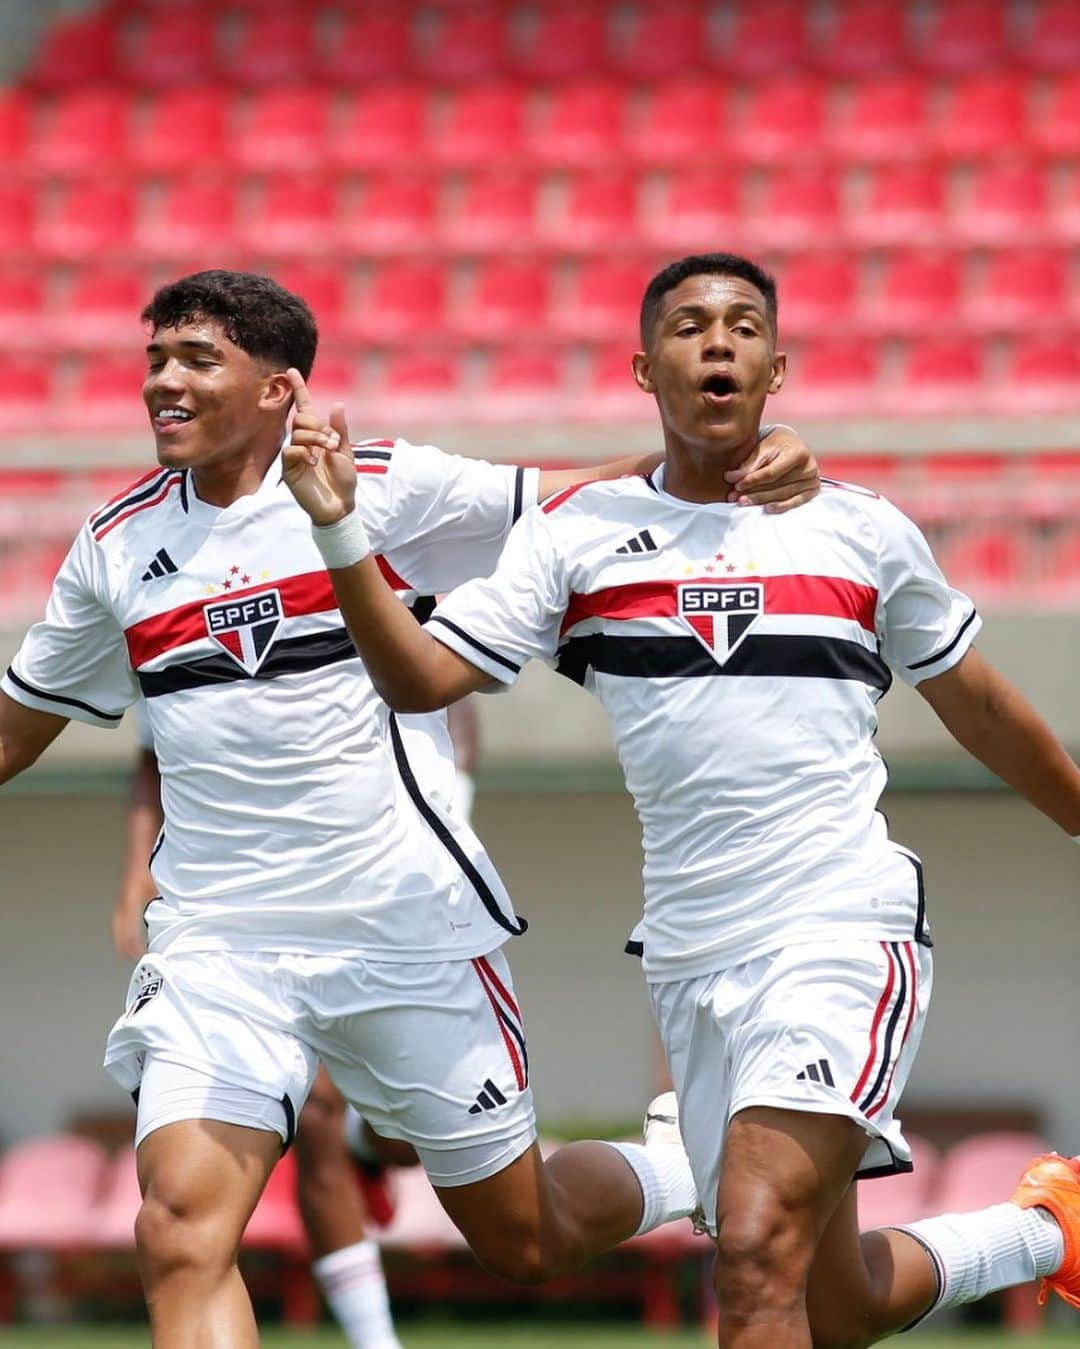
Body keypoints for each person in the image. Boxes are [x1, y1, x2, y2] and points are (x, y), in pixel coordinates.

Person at [0, 268, 822, 1348]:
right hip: (221, 942)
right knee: (180, 1229)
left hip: (406, 928)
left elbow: (572, 496)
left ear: (277, 388)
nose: (163, 381)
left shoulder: (385, 488)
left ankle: (684, 1161)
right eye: (154, 359)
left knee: (527, 1237)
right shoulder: (114, 545)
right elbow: (16, 729)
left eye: (195, 359)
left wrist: (734, 464)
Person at [282, 251, 1080, 1349]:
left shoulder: (862, 527)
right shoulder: (578, 537)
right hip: (691, 956)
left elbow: (980, 705)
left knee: (754, 1251)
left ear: (778, 367)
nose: (719, 341)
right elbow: (418, 676)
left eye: (745, 326)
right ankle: (1045, 1229)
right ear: (643, 367)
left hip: (841, 925)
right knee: (826, 1300)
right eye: (692, 325)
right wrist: (339, 532)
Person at [112, 700, 427, 1349]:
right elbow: (151, 755)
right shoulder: (159, 609)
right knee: (185, 1219)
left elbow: (437, 696)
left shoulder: (377, 615)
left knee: (434, 1157)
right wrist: (135, 873)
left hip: (384, 899)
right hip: (229, 929)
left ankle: (368, 1142)